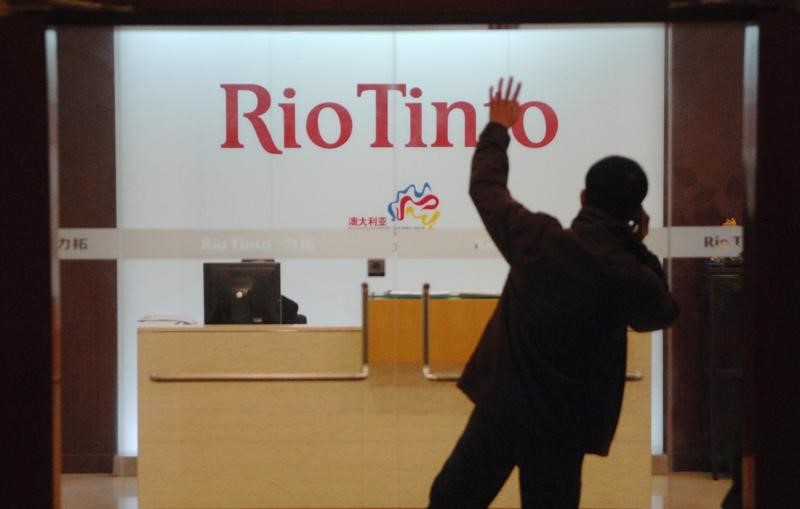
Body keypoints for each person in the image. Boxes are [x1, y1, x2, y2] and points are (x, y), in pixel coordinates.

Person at [427, 77, 679, 509]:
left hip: (502, 410)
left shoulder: (540, 240)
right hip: (565, 425)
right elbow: (661, 312)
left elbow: (486, 188)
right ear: (635, 213)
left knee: (452, 500)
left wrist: (498, 128)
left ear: (583, 196)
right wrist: (635, 242)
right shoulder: (627, 273)